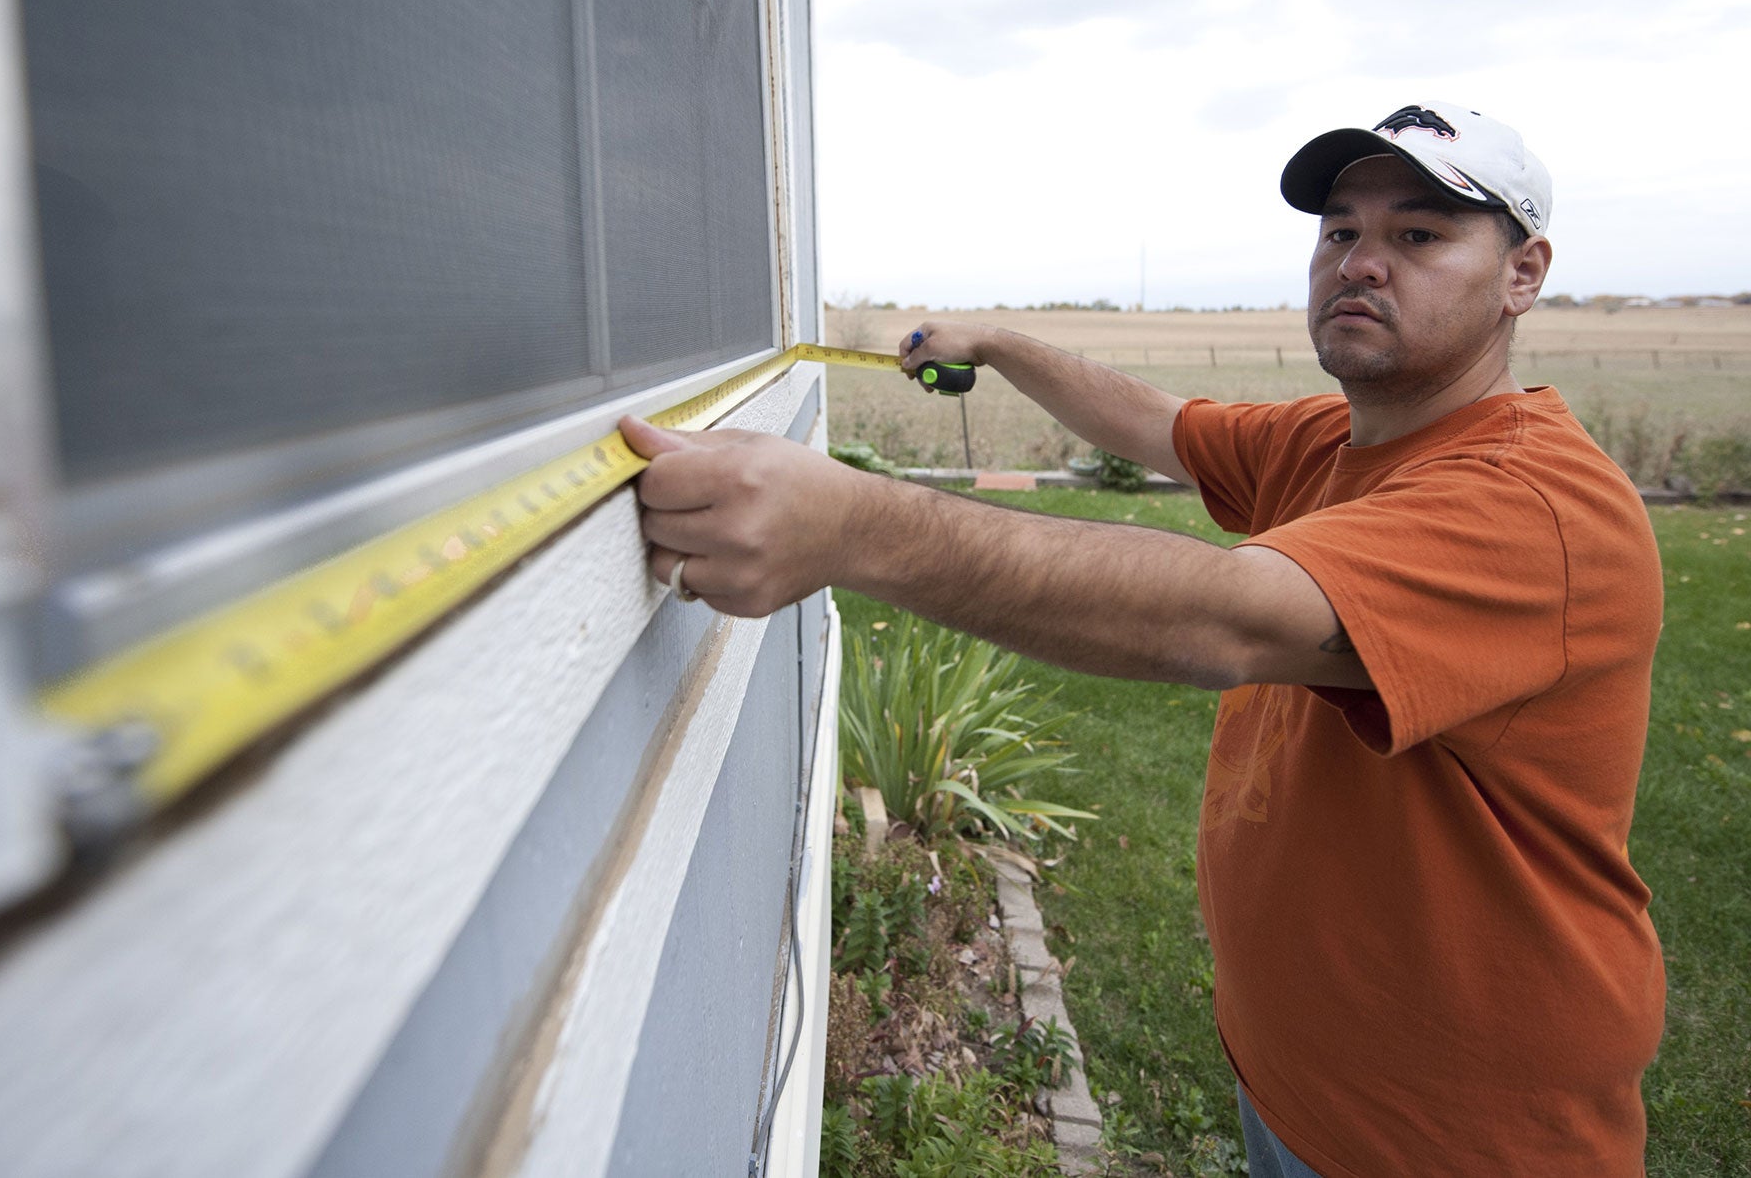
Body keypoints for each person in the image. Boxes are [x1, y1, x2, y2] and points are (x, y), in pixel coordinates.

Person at [618, 101, 1665, 1176]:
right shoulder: (1332, 439)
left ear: (1522, 273)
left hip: (1459, 1136)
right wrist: (1001, 342)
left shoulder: (1530, 507)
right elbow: (1154, 422)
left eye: (1417, 234)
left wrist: (855, 526)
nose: (1359, 261)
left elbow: (1220, 614)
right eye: (1339, 230)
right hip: (1303, 1082)